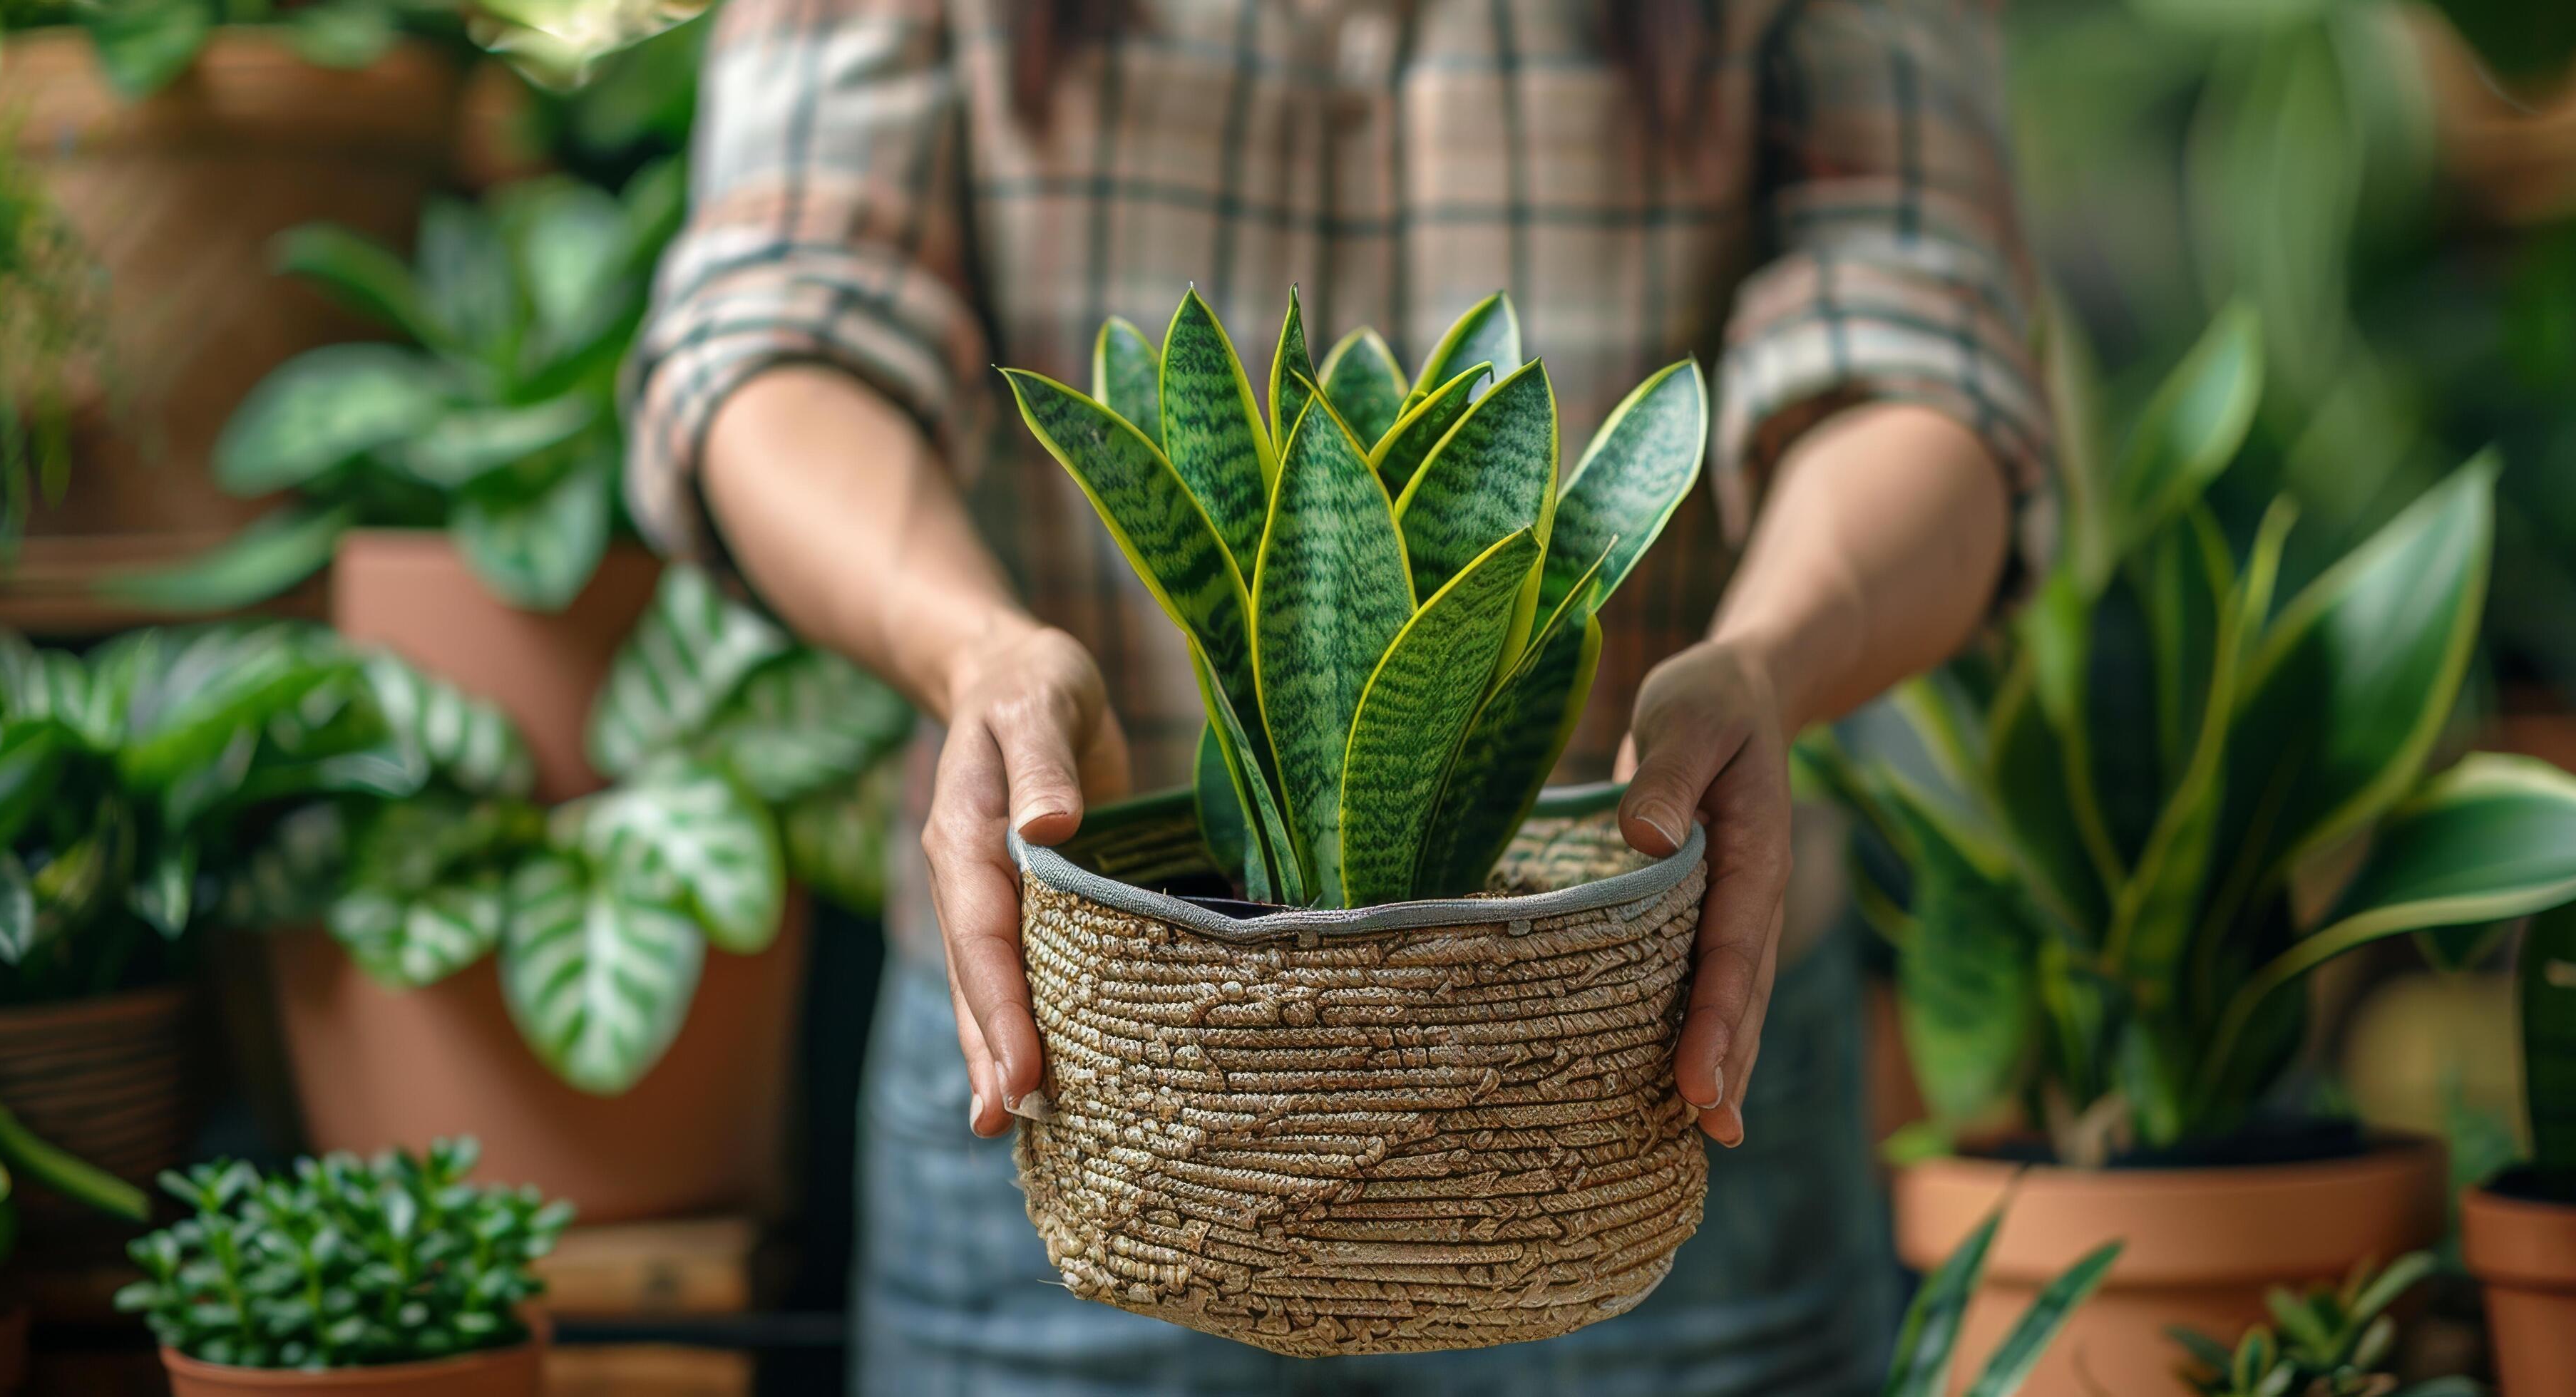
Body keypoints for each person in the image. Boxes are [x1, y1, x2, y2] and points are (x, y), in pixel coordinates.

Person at [627, 0, 2049, 1390]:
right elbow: (776, 328)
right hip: (1099, 1071)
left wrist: (1770, 659)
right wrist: (971, 647)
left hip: (1629, 1073)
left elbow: (1922, 342)